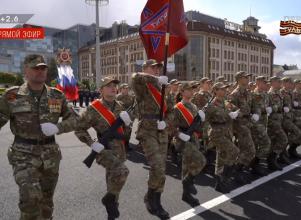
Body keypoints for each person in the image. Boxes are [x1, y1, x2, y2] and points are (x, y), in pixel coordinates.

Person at [41, 76, 132, 220]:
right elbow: (79, 129)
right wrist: (91, 143)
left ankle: (111, 212)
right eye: (109, 85)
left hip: (120, 149)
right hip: (104, 149)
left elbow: (125, 134)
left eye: (115, 85)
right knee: (122, 172)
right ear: (101, 90)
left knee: (114, 182)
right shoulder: (94, 108)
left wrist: (127, 124)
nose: (113, 88)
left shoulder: (120, 106)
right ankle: (109, 201)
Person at [0, 54, 76, 220]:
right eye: (35, 68)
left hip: (50, 156)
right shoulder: (12, 96)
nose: (40, 71)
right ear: (26, 71)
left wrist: (59, 127)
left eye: (43, 68)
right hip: (23, 154)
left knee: (46, 202)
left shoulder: (57, 95)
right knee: (31, 197)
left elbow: (75, 119)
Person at [131, 59, 170, 219]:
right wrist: (155, 79)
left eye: (158, 68)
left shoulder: (161, 88)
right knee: (157, 166)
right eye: (153, 68)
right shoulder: (143, 85)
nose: (156, 70)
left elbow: (171, 110)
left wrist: (165, 122)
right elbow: (135, 77)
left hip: (161, 129)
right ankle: (151, 199)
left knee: (161, 169)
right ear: (145, 68)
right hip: (147, 129)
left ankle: (155, 198)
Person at [172, 82, 206, 206]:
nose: (192, 92)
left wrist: (202, 119)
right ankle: (187, 182)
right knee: (201, 161)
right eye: (188, 89)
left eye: (193, 89)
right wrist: (179, 134)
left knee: (187, 166)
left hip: (193, 138)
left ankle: (186, 195)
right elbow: (171, 126)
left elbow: (198, 125)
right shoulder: (177, 107)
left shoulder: (194, 106)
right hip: (182, 139)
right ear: (182, 92)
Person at [206, 82, 240, 193]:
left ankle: (219, 183)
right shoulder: (211, 104)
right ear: (215, 90)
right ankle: (224, 178)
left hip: (226, 132)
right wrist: (228, 114)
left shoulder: (225, 103)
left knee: (221, 157)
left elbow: (236, 109)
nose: (224, 91)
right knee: (234, 151)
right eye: (221, 89)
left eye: (225, 89)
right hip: (217, 133)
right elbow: (209, 117)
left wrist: (236, 112)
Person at [228, 71, 256, 184]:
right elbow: (229, 107)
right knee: (250, 150)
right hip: (240, 124)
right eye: (245, 77)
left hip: (249, 122)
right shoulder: (234, 94)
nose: (248, 79)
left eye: (248, 77)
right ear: (239, 79)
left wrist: (255, 113)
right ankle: (237, 170)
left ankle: (239, 168)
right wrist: (238, 112)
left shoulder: (249, 92)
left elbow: (253, 105)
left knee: (245, 149)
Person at [250, 76, 271, 176]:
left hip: (263, 121)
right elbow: (248, 108)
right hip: (256, 123)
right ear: (258, 83)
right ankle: (254, 163)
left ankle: (254, 164)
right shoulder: (253, 94)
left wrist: (269, 109)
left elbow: (266, 106)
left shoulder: (265, 94)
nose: (265, 84)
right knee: (266, 143)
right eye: (263, 82)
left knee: (257, 144)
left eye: (265, 82)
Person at [267, 76, 288, 170]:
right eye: (278, 81)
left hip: (279, 119)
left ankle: (272, 161)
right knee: (283, 139)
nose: (280, 83)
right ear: (272, 83)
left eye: (280, 81)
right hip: (273, 120)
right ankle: (271, 159)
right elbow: (267, 107)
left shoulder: (278, 93)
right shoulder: (270, 94)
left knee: (274, 141)